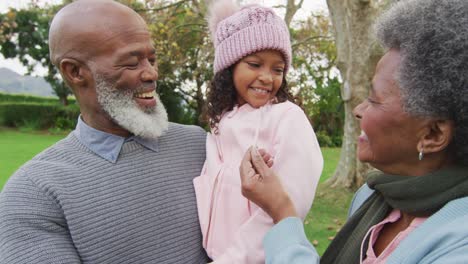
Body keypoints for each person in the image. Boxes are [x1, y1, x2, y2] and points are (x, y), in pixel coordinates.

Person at [239, 0, 468, 263]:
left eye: (374, 99)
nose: (359, 110)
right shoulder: (372, 196)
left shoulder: (459, 247)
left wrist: (281, 211)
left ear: (433, 135)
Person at [0, 0, 209, 263]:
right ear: (75, 71)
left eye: (152, 59)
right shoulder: (34, 193)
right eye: (132, 63)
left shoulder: (198, 144)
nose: (152, 73)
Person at [193, 0, 323, 263]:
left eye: (278, 69)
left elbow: (289, 202)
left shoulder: (287, 118)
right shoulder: (221, 123)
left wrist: (233, 258)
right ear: (228, 68)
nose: (267, 77)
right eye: (255, 64)